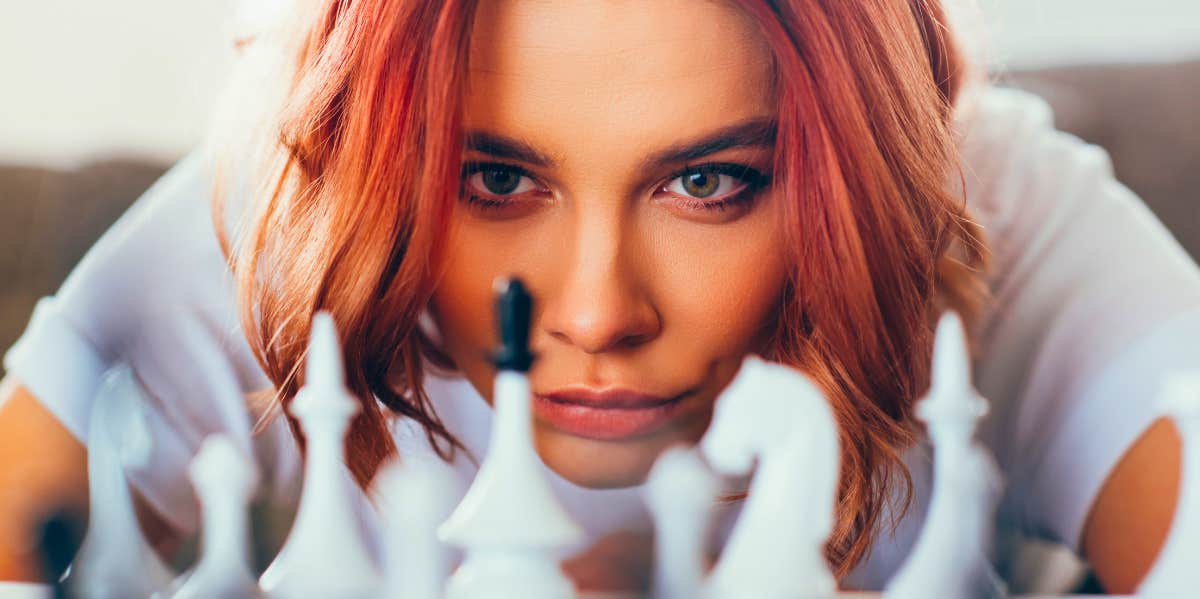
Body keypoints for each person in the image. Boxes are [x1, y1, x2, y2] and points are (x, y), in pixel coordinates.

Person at [1, 0, 1197, 593]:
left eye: (709, 179)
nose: (592, 311)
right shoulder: (303, 202)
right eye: (498, 177)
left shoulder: (976, 206)